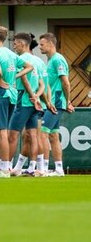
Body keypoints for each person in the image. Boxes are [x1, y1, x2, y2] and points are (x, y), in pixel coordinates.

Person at [0, 26, 33, 178]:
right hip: (12, 95)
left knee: (1, 132)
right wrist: (14, 78)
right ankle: (5, 168)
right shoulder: (11, 54)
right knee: (4, 131)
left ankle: (4, 169)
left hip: (1, 94)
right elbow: (29, 67)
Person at [10, 34, 49, 177]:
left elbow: (25, 80)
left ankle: (5, 167)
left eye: (15, 43)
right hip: (36, 102)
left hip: (24, 100)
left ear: (22, 43)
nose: (14, 46)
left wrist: (32, 95)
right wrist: (39, 98)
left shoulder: (20, 60)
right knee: (33, 135)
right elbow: (43, 84)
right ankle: (37, 168)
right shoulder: (39, 61)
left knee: (12, 135)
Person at [38, 33, 75, 177]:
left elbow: (65, 82)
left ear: (50, 44)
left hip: (56, 103)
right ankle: (59, 169)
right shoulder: (52, 60)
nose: (40, 47)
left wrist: (67, 101)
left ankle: (45, 168)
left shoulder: (57, 60)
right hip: (53, 102)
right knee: (53, 135)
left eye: (42, 44)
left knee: (43, 134)